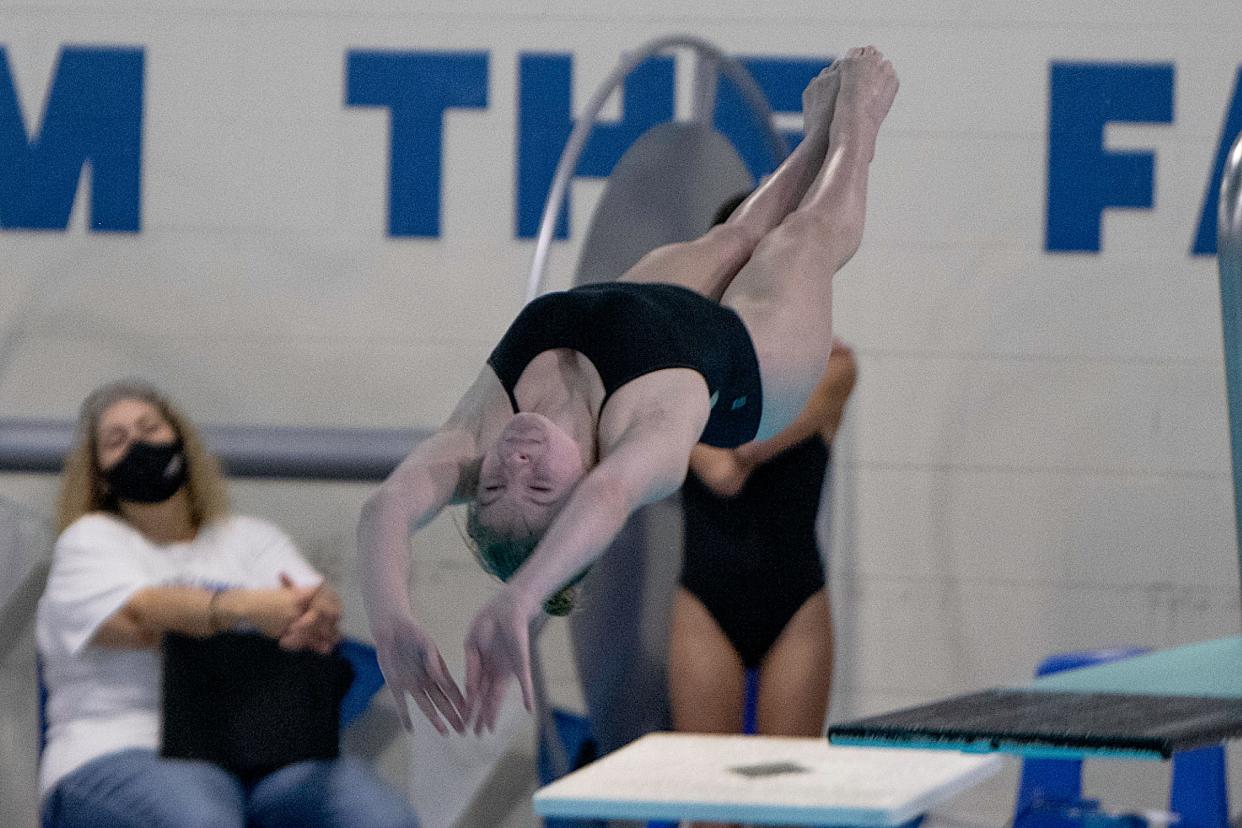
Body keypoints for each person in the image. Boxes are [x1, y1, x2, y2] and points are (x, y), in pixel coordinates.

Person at [357, 46, 898, 736]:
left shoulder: (480, 429)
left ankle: (813, 136)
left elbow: (387, 506)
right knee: (802, 243)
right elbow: (612, 496)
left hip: (656, 311)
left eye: (491, 489)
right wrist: (521, 601)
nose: (514, 466)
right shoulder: (640, 442)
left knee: (739, 234)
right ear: (582, 484)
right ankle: (857, 124)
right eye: (541, 490)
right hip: (753, 375)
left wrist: (392, 618)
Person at [36, 379, 420, 828]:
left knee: (383, 817)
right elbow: (138, 615)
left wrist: (316, 614)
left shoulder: (250, 537)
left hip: (263, 751)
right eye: (116, 440)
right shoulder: (90, 541)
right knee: (202, 819)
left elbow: (314, 605)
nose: (139, 445)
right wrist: (242, 608)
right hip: (125, 744)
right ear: (98, 473)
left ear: (180, 438)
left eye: (150, 428)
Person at [670, 334, 855, 753]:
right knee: (707, 804)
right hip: (705, 604)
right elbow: (724, 472)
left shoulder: (835, 370)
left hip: (796, 606)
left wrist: (683, 422)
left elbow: (744, 450)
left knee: (784, 799)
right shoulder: (686, 376)